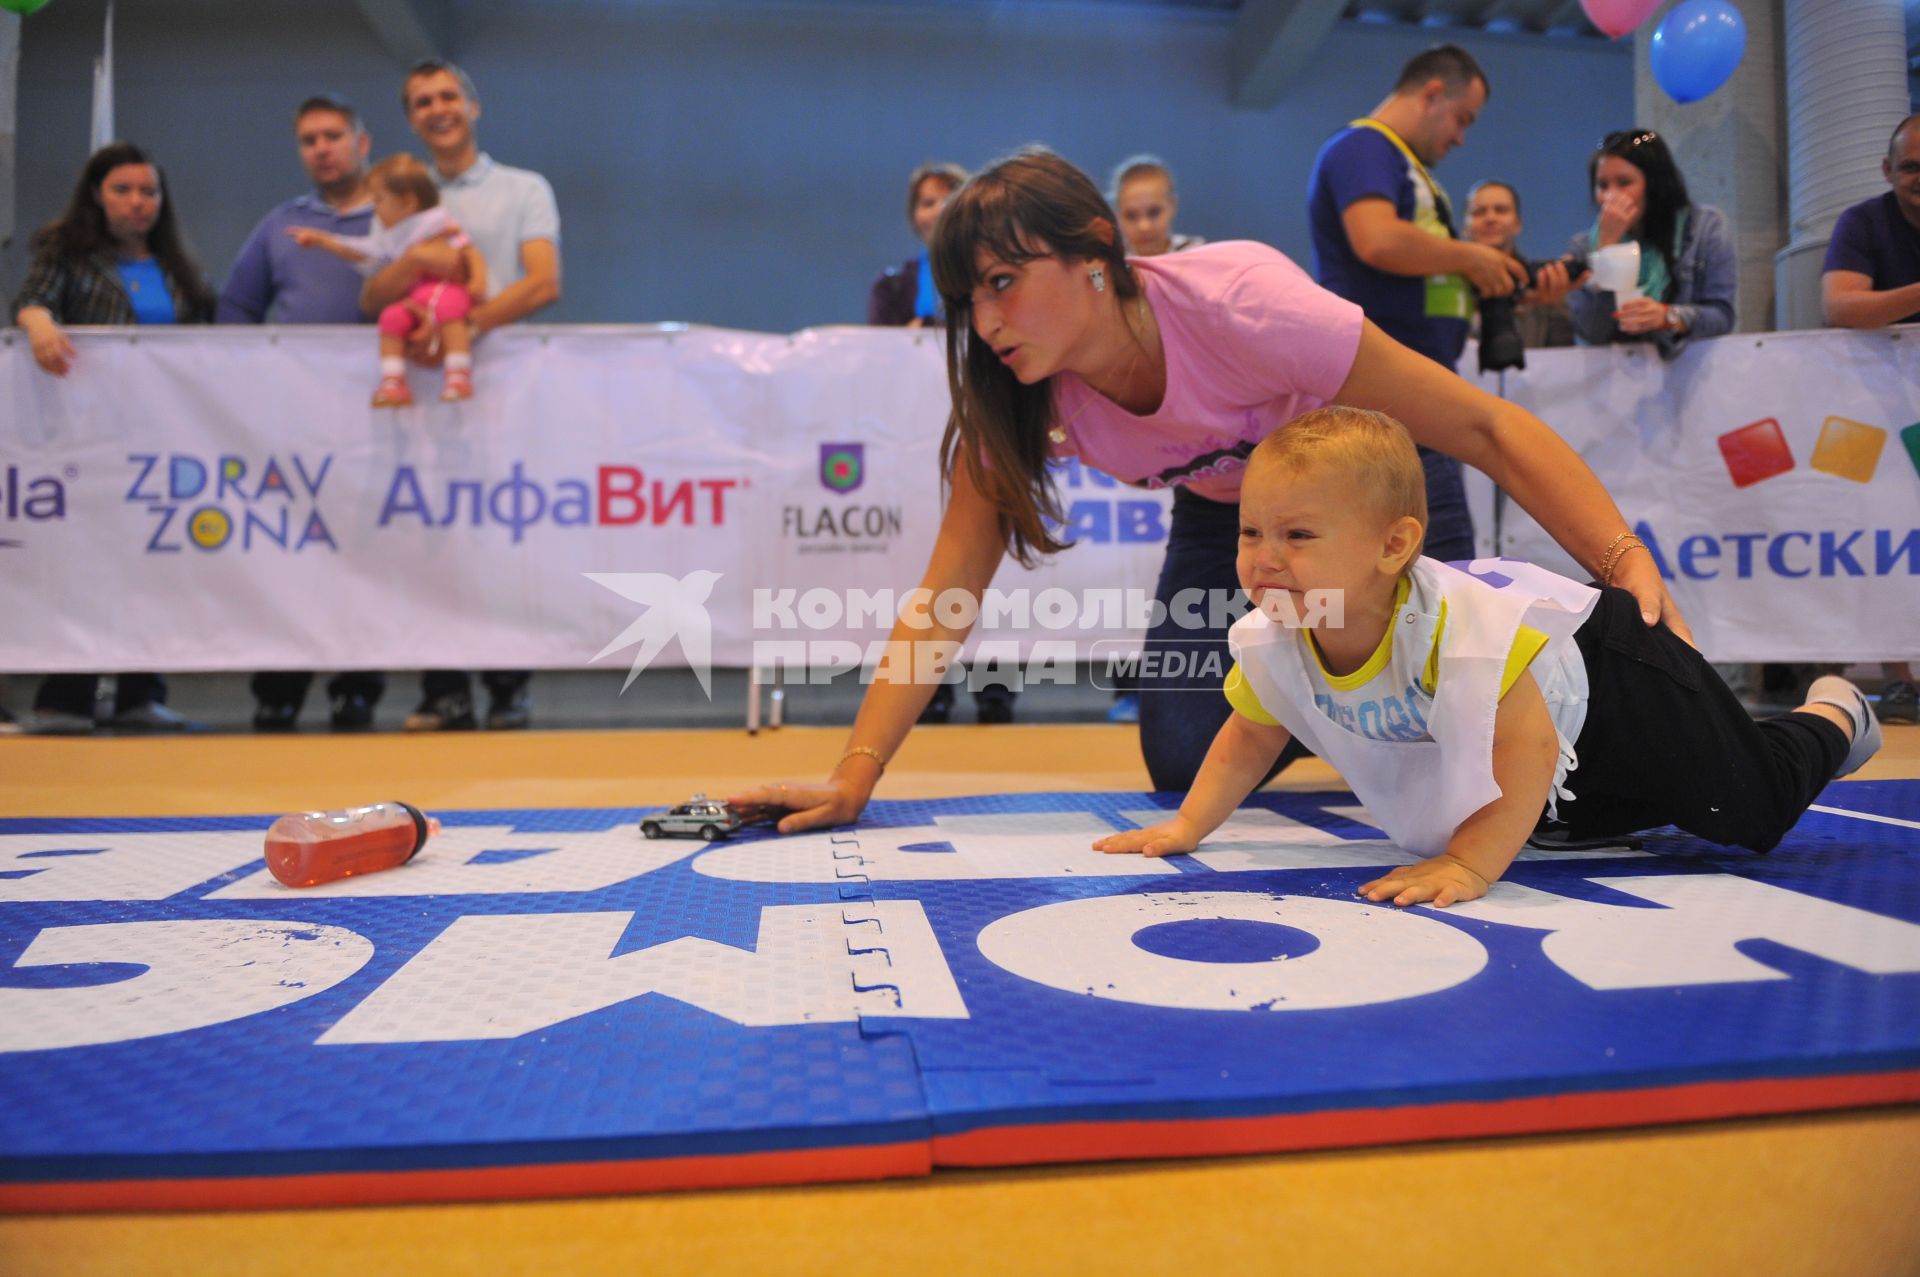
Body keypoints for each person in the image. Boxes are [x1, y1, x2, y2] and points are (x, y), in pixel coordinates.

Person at [729, 148, 1685, 830]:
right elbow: (946, 594)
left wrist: (1622, 559)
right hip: (1231, 511)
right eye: (969, 298)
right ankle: (1342, 714)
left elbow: (1485, 427)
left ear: (1097, 253)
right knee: (1184, 753)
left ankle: (1514, 700)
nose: (985, 322)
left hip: (1370, 482)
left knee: (1467, 728)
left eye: (1006, 282)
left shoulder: (1244, 306)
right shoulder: (1019, 395)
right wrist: (854, 775)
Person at [1092, 407, 1880, 907]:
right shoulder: (1276, 636)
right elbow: (1250, 735)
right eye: (1250, 533)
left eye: (1297, 536)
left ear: (1393, 546)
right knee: (1583, 821)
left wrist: (1469, 865)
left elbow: (1529, 743)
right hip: (1554, 738)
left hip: (1606, 667)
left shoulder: (1454, 628)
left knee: (1750, 807)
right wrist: (1189, 826)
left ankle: (1832, 714)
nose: (1264, 558)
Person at [1307, 44, 1574, 563]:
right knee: (1446, 565)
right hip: (1388, 390)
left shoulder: (1396, 161)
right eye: (1461, 118)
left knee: (1433, 566)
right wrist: (1474, 259)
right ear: (1432, 93)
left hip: (1406, 387)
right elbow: (1377, 240)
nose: (1460, 137)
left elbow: (1413, 273)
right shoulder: (1364, 148)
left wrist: (1502, 287)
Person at [360, 59, 561, 732]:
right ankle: (442, 688)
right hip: (420, 393)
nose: (437, 108)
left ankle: (510, 686)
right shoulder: (396, 195)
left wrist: (462, 327)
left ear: (472, 107)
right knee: (429, 537)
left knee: (506, 531)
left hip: (502, 384)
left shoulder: (524, 189)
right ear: (411, 118)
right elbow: (369, 296)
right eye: (422, 101)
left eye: (448, 95)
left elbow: (542, 283)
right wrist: (414, 268)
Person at [10, 142, 216, 733]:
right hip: (87, 440)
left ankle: (138, 693)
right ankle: (65, 697)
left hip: (162, 442)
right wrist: (39, 322)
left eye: (147, 191)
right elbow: (31, 299)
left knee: (153, 568)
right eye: (122, 190)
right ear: (97, 195)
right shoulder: (66, 250)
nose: (136, 202)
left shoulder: (177, 264)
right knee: (84, 566)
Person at [218, 94, 391, 734]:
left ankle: (357, 690)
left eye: (332, 135)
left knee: (366, 553)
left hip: (381, 422)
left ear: (361, 142)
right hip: (293, 427)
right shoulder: (279, 227)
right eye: (308, 139)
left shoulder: (398, 222)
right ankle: (278, 690)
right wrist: (255, 383)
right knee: (289, 554)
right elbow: (236, 310)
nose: (321, 147)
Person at [868, 161, 1017, 725]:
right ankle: (925, 689)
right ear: (913, 217)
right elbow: (869, 360)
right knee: (925, 562)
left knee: (1001, 558)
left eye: (948, 196)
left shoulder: (1000, 274)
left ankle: (997, 685)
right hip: (911, 445)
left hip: (991, 428)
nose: (937, 208)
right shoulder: (892, 286)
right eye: (926, 201)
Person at [1818, 112, 1920, 725]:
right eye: (1911, 166)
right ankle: (1900, 678)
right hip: (1882, 414)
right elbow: (1840, 305)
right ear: (1888, 171)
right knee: (1888, 532)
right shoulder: (1862, 222)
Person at [290, 153, 486, 406]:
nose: (375, 208)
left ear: (408, 202)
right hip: (416, 298)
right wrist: (322, 240)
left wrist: (478, 281)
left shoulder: (438, 223)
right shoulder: (390, 236)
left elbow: (468, 250)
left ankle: (458, 373)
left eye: (380, 200)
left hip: (445, 291)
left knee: (447, 307)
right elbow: (360, 250)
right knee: (391, 318)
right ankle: (393, 381)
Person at [1567, 129, 1735, 357]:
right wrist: (1606, 249)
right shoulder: (1583, 246)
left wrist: (1667, 317)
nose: (1609, 197)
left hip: (1687, 374)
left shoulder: (1705, 227)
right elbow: (1592, 332)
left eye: (1624, 182)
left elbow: (1722, 316)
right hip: (1614, 379)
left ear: (1655, 184)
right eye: (1602, 185)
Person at [1465, 179, 1575, 350]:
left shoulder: (1543, 284)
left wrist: (1553, 304)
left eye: (1501, 210)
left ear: (1518, 223)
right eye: (1479, 212)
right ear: (1465, 226)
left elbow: (1562, 358)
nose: (1490, 218)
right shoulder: (1450, 285)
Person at [1109, 156, 1206, 258]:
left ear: (1173, 205)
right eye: (1131, 216)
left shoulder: (1197, 254)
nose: (1144, 226)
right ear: (1117, 215)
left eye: (1154, 212)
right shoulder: (1111, 263)